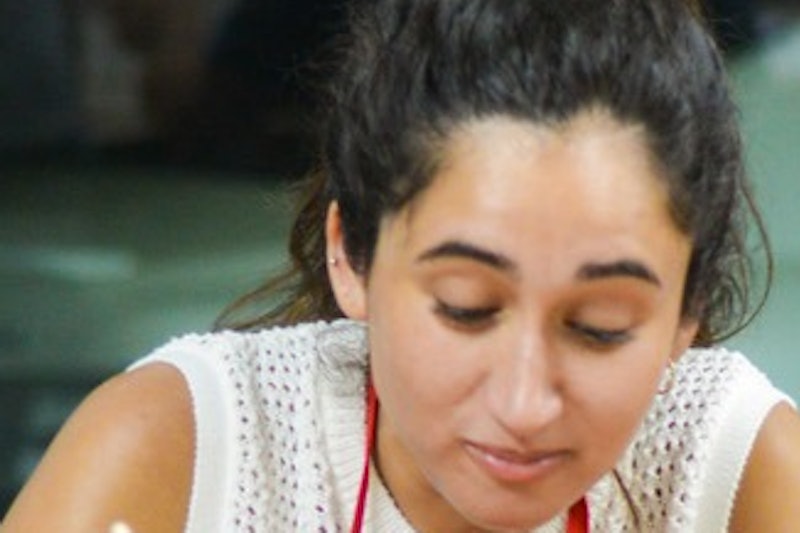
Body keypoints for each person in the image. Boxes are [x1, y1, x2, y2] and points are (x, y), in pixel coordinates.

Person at [4, 0, 800, 531]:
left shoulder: (728, 468)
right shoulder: (188, 452)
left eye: (600, 326)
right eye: (465, 306)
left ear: (686, 314)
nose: (523, 402)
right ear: (351, 254)